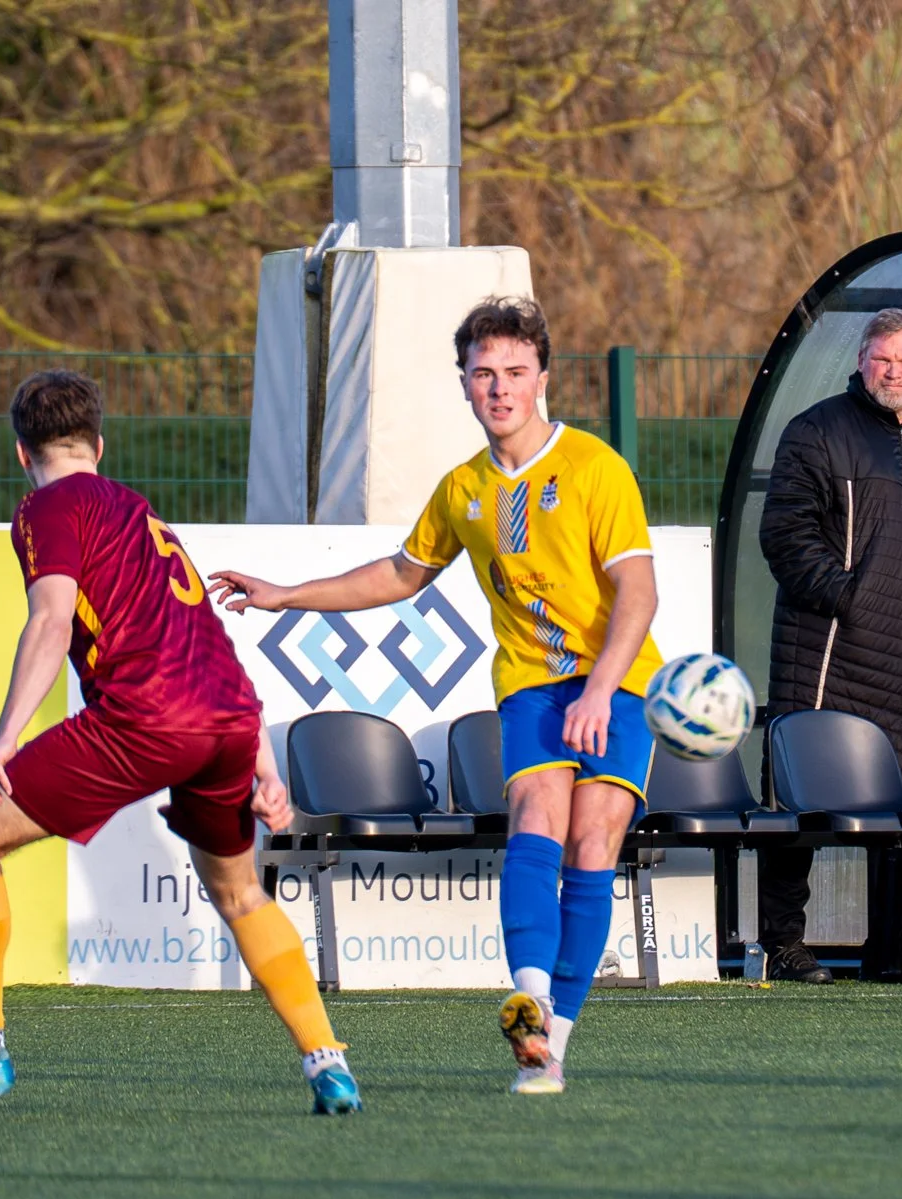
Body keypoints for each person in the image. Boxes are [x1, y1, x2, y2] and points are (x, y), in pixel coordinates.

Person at [208, 296, 662, 1094]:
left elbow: (638, 592)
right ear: (463, 382)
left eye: (516, 372)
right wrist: (286, 594)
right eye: (484, 373)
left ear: (543, 378)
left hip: (616, 684)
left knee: (595, 842)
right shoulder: (464, 489)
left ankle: (553, 1041)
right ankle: (530, 993)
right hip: (529, 687)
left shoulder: (596, 468)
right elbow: (398, 574)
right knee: (534, 819)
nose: (500, 388)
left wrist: (597, 691)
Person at [0, 370, 360, 1113]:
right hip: (225, 718)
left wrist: (6, 735)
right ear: (99, 444)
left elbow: (50, 618)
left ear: (19, 453)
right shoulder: (142, 513)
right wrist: (264, 764)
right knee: (239, 891)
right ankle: (327, 1062)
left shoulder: (47, 505)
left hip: (145, 718)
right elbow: (209, 641)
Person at [756, 308, 902, 983]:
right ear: (862, 361)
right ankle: (783, 943)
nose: (892, 372)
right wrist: (848, 597)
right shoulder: (817, 430)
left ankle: (895, 946)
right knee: (806, 800)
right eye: (880, 358)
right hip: (832, 652)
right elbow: (784, 537)